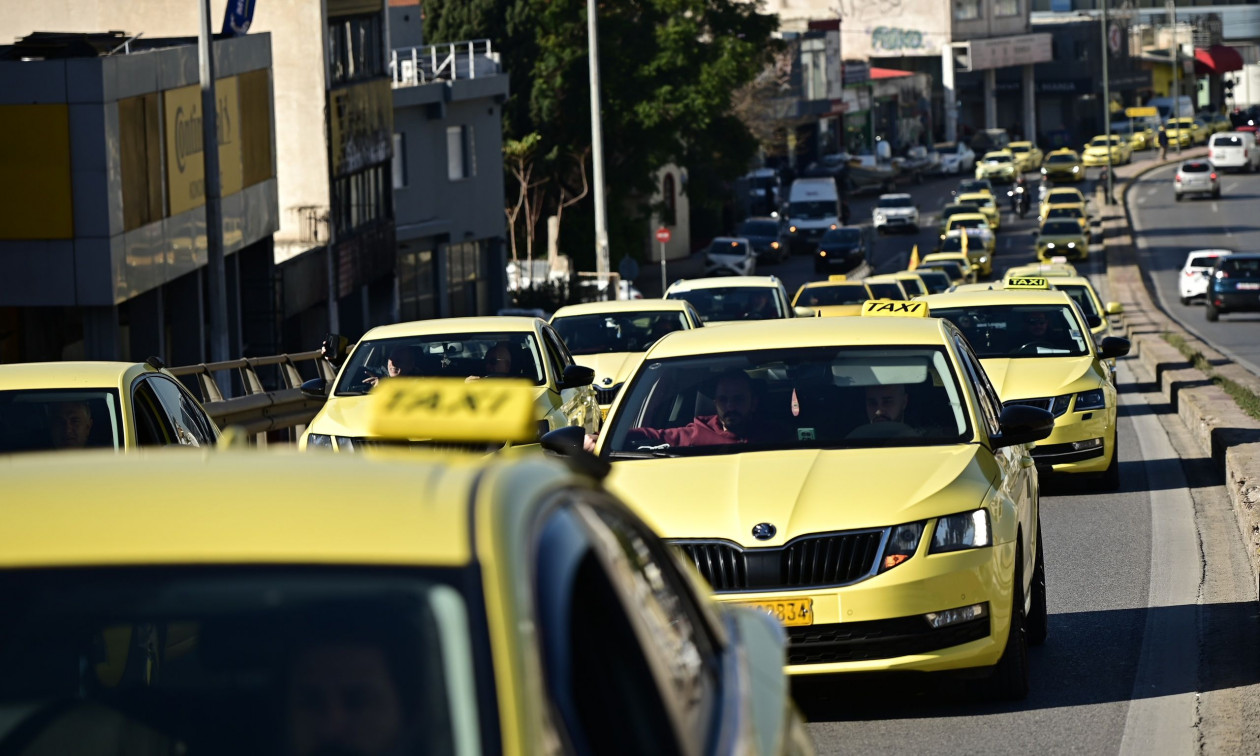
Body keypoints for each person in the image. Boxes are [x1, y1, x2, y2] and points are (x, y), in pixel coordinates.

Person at [583, 370, 775, 451]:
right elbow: (654, 434)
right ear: (715, 404)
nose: (730, 407)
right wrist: (601, 438)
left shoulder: (777, 435)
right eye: (723, 400)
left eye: (738, 399)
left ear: (754, 403)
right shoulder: (697, 433)